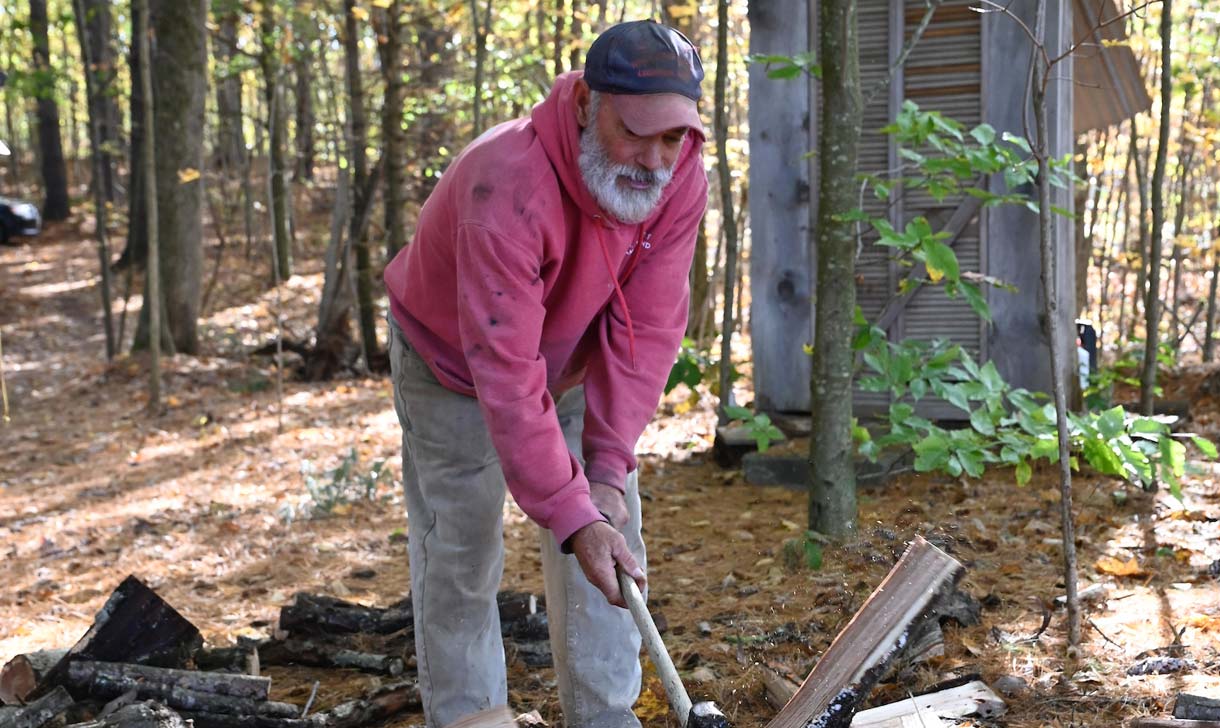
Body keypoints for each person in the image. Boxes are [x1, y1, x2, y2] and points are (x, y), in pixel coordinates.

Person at [383, 20, 708, 728]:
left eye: (672, 137)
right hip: (451, 367)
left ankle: (604, 718)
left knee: (610, 541)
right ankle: (472, 719)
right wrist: (570, 514)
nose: (655, 159)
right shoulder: (507, 181)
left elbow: (646, 329)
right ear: (590, 102)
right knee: (461, 551)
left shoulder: (678, 177)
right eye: (637, 131)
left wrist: (606, 472)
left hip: (572, 364)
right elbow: (504, 373)